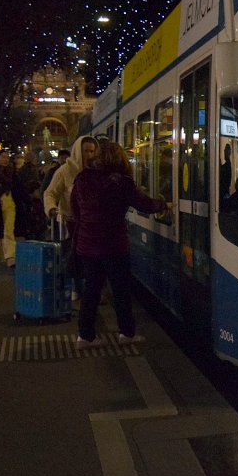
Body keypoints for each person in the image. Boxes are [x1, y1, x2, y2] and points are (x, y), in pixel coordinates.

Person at [70, 139, 170, 349]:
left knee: (91, 290)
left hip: (87, 245)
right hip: (113, 245)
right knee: (121, 290)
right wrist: (164, 204)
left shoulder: (82, 178)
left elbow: (75, 210)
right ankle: (126, 333)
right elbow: (144, 204)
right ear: (119, 158)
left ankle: (85, 336)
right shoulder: (122, 182)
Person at [44, 135, 98, 304]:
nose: (89, 155)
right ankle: (76, 290)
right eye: (86, 151)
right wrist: (51, 208)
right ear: (77, 152)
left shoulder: (97, 170)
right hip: (71, 222)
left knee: (92, 257)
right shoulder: (65, 171)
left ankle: (90, 290)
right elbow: (50, 193)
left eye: (92, 151)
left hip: (92, 222)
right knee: (75, 255)